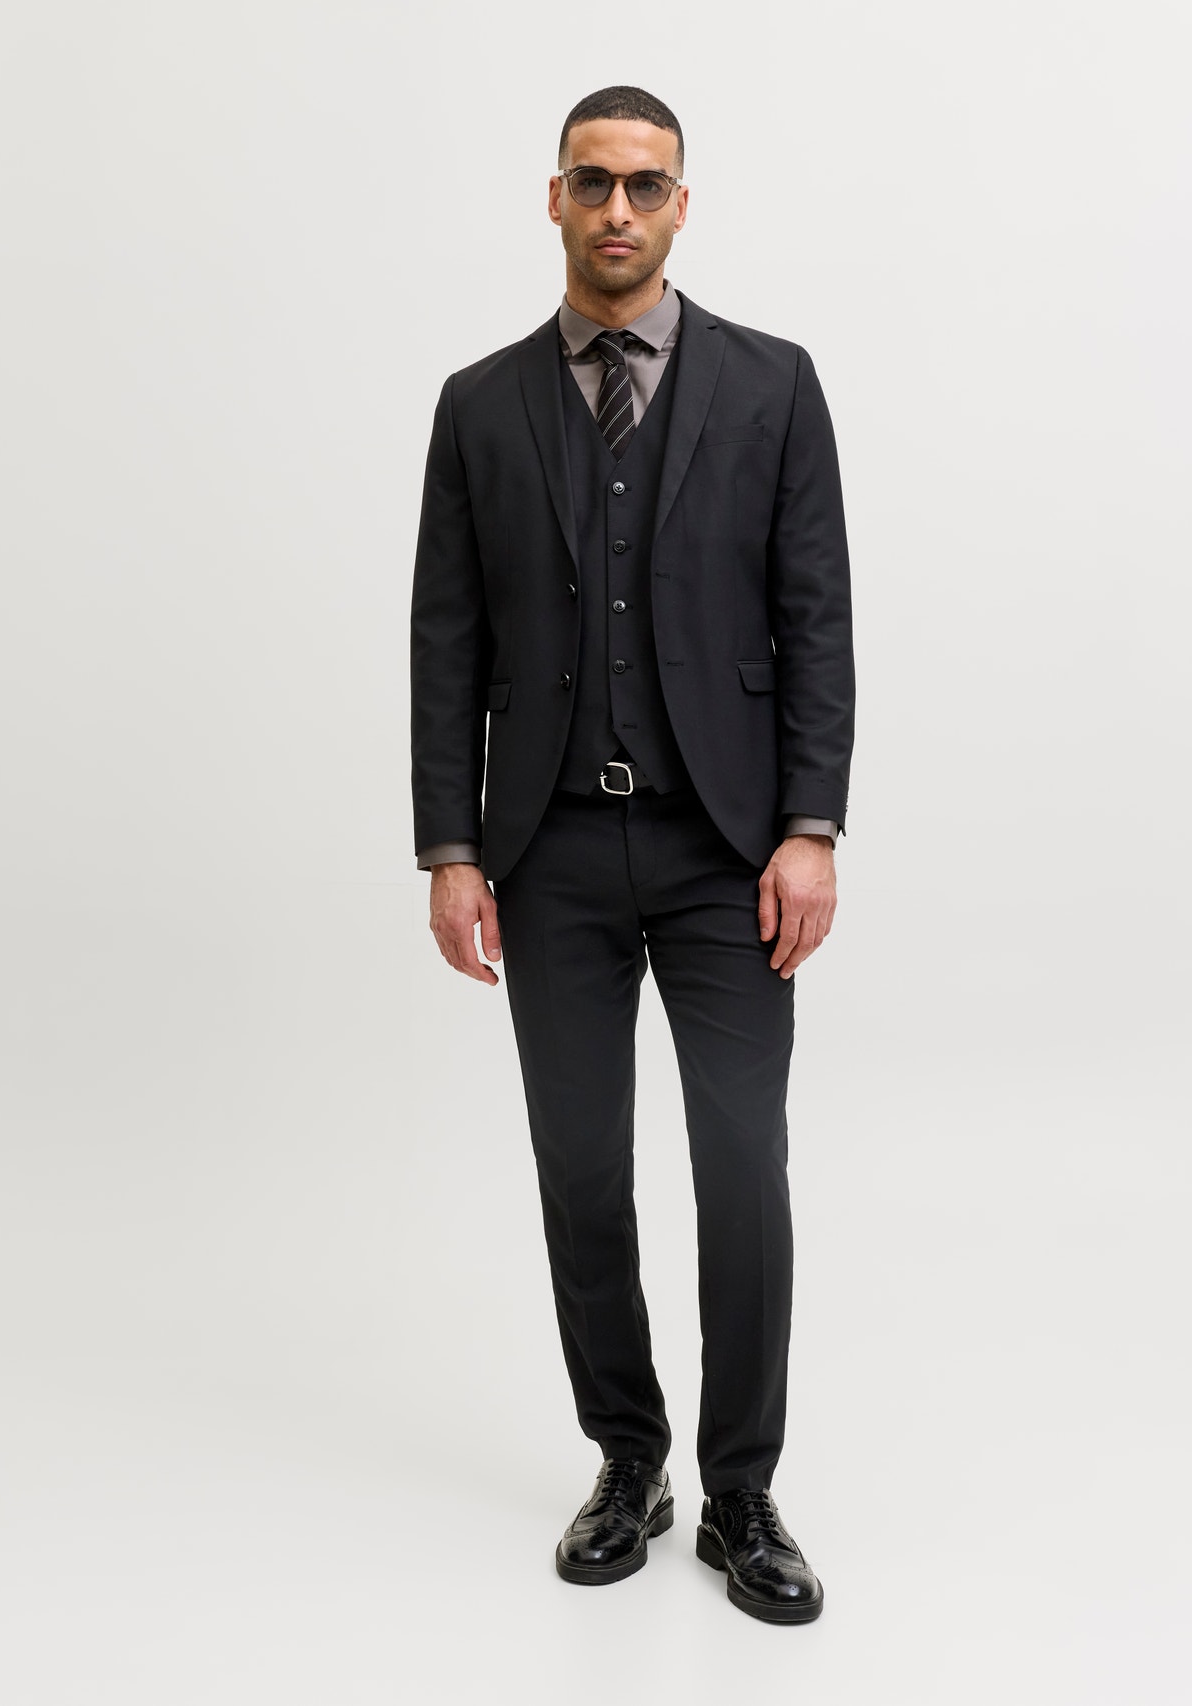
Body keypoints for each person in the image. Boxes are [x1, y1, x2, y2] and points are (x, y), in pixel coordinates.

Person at [410, 85, 854, 1624]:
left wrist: (810, 828)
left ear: (680, 204)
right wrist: (451, 845)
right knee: (583, 1165)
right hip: (549, 854)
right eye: (593, 182)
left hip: (726, 849)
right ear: (554, 199)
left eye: (644, 184)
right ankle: (629, 1457)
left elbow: (816, 620)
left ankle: (742, 1489)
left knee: (743, 1164)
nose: (618, 209)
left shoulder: (773, 384)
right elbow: (446, 639)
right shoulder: (479, 405)